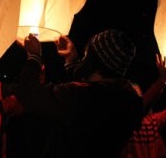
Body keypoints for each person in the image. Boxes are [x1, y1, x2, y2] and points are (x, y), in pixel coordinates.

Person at [17, 29, 144, 157]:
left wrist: (34, 56)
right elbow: (90, 92)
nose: (84, 58)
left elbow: (29, 94)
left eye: (87, 54)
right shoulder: (126, 99)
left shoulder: (81, 97)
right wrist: (71, 60)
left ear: (94, 61)